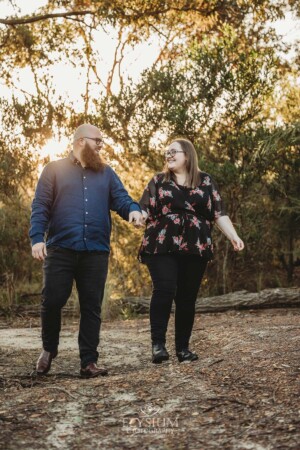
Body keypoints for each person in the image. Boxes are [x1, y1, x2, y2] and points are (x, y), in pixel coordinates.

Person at [30, 123, 143, 378]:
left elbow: (122, 199)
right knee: (52, 301)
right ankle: (49, 350)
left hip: (96, 251)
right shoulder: (54, 170)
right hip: (60, 249)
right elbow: (40, 206)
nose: (101, 146)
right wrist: (37, 238)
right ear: (81, 141)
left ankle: (88, 362)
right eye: (98, 141)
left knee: (91, 306)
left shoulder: (106, 173)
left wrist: (133, 210)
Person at [138, 138, 244, 364]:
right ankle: (158, 346)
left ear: (187, 154)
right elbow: (144, 208)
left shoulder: (205, 180)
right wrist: (139, 217)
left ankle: (183, 349)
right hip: (162, 243)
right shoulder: (159, 180)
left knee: (187, 297)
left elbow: (218, 213)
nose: (169, 155)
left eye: (173, 151)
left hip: (196, 246)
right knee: (164, 289)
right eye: (166, 152)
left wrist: (233, 236)